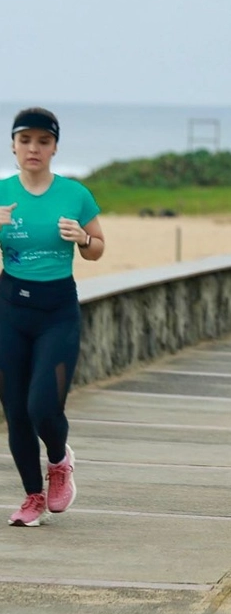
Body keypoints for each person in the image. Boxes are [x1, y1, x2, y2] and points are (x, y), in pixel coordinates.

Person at [1, 107, 105, 527]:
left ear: (55, 147)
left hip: (57, 311)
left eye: (43, 141)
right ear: (13, 145)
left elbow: (98, 247)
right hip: (9, 308)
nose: (34, 148)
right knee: (15, 411)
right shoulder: (2, 194)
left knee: (43, 405)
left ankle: (60, 460)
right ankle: (32, 497)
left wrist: (83, 238)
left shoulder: (75, 195)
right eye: (26, 140)